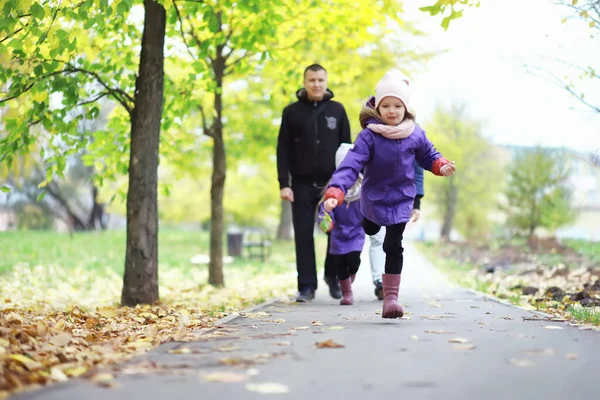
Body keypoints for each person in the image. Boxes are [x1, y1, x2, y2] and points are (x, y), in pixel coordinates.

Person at [323, 69, 456, 318]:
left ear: (406, 107)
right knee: (371, 229)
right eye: (386, 105)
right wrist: (336, 190)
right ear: (377, 107)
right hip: (373, 199)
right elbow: (351, 164)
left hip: (402, 198)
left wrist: (440, 165)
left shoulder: (415, 133)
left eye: (397, 105)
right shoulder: (369, 136)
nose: (392, 111)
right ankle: (368, 220)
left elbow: (429, 155)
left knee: (393, 245)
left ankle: (391, 299)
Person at [276, 64, 352, 303]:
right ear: (304, 82)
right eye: (312, 80)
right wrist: (284, 183)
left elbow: (347, 150)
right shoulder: (291, 112)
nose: (316, 84)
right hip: (301, 185)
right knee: (303, 235)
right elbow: (283, 150)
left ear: (326, 82)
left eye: (320, 79)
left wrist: (346, 183)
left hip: (333, 185)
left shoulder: (337, 110)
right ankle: (306, 286)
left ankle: (333, 277)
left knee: (335, 233)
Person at [317, 144, 365, 306]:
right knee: (341, 266)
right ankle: (347, 293)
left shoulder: (362, 188)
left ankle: (349, 280)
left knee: (353, 262)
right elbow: (324, 214)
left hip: (356, 233)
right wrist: (327, 211)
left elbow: (369, 209)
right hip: (338, 235)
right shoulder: (333, 190)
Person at [369, 161, 424, 300]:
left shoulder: (414, 139)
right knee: (374, 234)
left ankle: (387, 292)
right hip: (374, 195)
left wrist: (416, 203)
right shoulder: (372, 138)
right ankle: (380, 283)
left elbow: (418, 169)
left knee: (392, 243)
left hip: (402, 198)